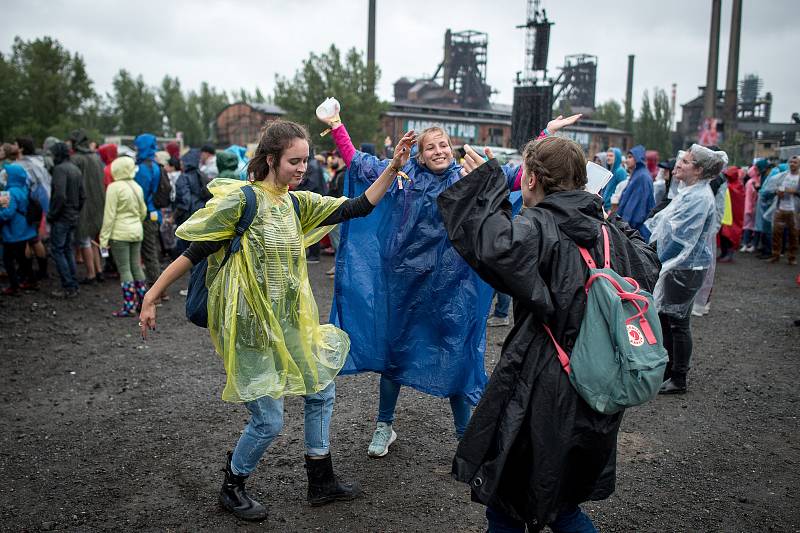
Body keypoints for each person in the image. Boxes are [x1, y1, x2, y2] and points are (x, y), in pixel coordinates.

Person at [138, 121, 415, 522]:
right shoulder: (244, 202)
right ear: (271, 160)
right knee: (268, 420)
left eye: (305, 160)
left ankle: (320, 480)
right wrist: (152, 295)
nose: (302, 168)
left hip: (289, 322)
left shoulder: (296, 203)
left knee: (321, 389)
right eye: (294, 161)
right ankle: (232, 486)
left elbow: (357, 206)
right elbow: (194, 251)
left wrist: (392, 168)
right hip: (249, 327)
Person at [324, 105, 581, 457]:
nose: (439, 151)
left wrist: (547, 134)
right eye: (431, 147)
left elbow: (520, 175)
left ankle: (465, 435)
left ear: (452, 146)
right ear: (420, 153)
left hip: (452, 288)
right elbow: (356, 162)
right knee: (395, 354)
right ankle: (384, 425)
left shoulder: (466, 177)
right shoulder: (403, 175)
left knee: (457, 355)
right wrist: (337, 124)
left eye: (443, 144)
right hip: (405, 284)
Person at [437, 137, 661, 532]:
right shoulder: (607, 232)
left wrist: (485, 184)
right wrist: (607, 215)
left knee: (508, 500)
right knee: (563, 503)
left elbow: (494, 248)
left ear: (532, 178)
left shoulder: (542, 226)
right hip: (598, 384)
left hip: (542, 386)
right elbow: (648, 261)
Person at [646, 145, 728, 394]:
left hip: (686, 266)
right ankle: (669, 369)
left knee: (678, 321)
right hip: (680, 265)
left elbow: (682, 239)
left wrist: (657, 260)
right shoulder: (690, 191)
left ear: (699, 170)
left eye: (687, 161)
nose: (679, 164)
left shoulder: (698, 198)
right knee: (666, 317)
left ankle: (678, 377)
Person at [99, 156, 148, 316]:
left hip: (120, 234)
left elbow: (109, 216)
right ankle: (143, 302)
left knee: (125, 269)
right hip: (136, 232)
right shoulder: (137, 186)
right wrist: (135, 223)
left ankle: (129, 306)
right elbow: (143, 211)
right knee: (136, 267)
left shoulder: (114, 187)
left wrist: (103, 240)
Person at [47, 142, 85, 298]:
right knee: (67, 250)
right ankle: (73, 284)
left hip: (62, 216)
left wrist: (52, 214)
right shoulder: (75, 168)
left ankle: (69, 286)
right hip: (72, 215)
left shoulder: (59, 170)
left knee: (58, 250)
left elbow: (60, 196)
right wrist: (76, 211)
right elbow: (83, 195)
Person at [69, 129, 105, 284]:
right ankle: (99, 271)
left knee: (84, 239)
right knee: (93, 239)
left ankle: (91, 274)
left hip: (84, 204)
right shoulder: (96, 157)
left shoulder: (76, 159)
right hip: (98, 202)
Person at [0, 164, 39, 295]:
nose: (4, 175)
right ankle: (31, 280)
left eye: (7, 174)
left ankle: (14, 286)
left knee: (7, 259)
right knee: (22, 257)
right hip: (24, 228)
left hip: (13, 231)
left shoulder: (9, 192)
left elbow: (8, 213)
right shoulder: (23, 188)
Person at [133, 134, 164, 288]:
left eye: (138, 146)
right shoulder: (155, 164)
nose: (136, 149)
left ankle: (156, 289)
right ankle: (159, 288)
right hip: (155, 213)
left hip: (146, 214)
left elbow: (141, 194)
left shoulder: (143, 168)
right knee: (153, 251)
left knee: (149, 253)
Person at [173, 149, 209, 256]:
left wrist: (174, 217)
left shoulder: (183, 178)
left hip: (188, 218)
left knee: (189, 252)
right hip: (202, 215)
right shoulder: (203, 175)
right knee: (200, 252)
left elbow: (185, 202)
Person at [294, 151, 327, 263]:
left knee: (312, 227)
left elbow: (312, 184)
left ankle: (314, 255)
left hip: (314, 200)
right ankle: (313, 253)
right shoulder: (313, 163)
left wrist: (298, 191)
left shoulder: (312, 165)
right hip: (316, 198)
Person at [617, 145, 655, 239]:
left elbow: (636, 207)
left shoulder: (642, 177)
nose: (626, 160)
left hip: (634, 231)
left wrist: (624, 228)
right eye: (626, 157)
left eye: (630, 157)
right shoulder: (637, 174)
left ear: (638, 157)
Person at [767, 155, 800, 264]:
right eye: (790, 162)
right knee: (776, 233)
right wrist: (777, 192)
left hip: (794, 210)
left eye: (795, 162)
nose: (792, 164)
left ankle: (792, 258)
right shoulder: (783, 176)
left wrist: (793, 191)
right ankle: (775, 255)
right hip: (780, 208)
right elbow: (773, 188)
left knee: (793, 235)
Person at [324, 150, 347, 277]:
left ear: (341, 159)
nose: (332, 160)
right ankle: (337, 266)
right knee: (336, 242)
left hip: (338, 214)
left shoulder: (343, 175)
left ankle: (341, 270)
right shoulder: (339, 173)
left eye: (335, 158)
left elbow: (342, 196)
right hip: (335, 213)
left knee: (339, 243)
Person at [718, 166, 745, 262]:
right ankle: (724, 252)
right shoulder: (728, 184)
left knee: (729, 235)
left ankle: (729, 254)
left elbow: (737, 199)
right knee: (722, 234)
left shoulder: (738, 185)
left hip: (733, 216)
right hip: (725, 214)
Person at [602, 147, 627, 211]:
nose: (608, 158)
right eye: (607, 155)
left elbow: (623, 191)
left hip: (613, 208)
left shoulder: (620, 171)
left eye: (611, 156)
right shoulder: (610, 171)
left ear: (617, 157)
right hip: (605, 207)